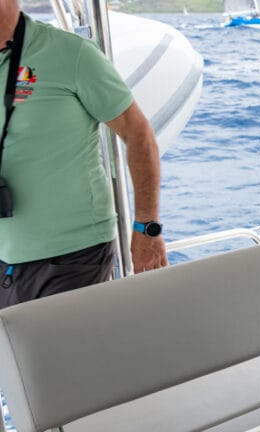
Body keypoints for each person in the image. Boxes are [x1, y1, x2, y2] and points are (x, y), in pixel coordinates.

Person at [0, 1, 168, 309]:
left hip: (71, 255)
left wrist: (147, 227)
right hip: (5, 254)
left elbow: (138, 134)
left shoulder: (70, 54)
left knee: (59, 355)